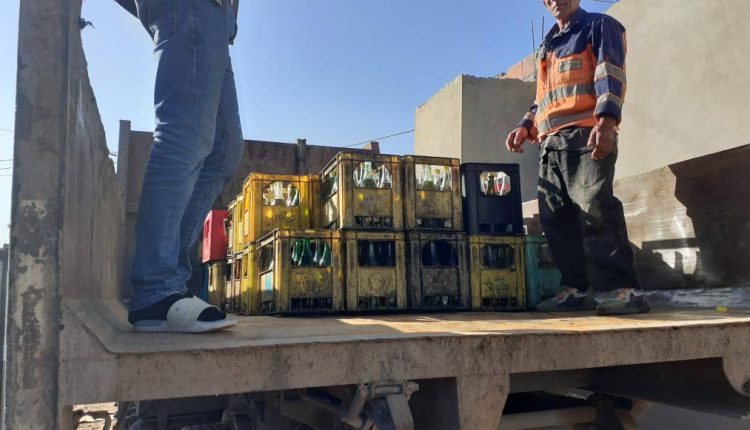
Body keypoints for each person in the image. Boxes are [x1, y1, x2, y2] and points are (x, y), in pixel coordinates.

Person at [505, 0, 649, 315]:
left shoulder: (599, 26)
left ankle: (624, 290)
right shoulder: (549, 45)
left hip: (587, 134)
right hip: (550, 143)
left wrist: (607, 121)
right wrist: (525, 126)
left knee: (596, 208)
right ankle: (575, 288)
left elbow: (610, 74)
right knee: (556, 219)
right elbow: (543, 98)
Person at [115, 0, 245, 332]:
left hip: (217, 15)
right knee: (185, 132)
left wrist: (230, 17)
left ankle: (169, 282)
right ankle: (155, 289)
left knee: (223, 150)